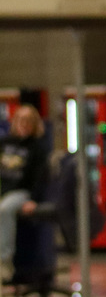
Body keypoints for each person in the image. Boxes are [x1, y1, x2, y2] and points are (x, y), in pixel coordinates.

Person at [0, 104, 49, 280]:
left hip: (21, 193)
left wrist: (34, 200)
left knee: (4, 209)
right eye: (20, 120)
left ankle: (4, 260)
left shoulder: (37, 148)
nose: (24, 124)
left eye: (28, 121)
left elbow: (41, 179)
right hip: (3, 190)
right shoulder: (5, 143)